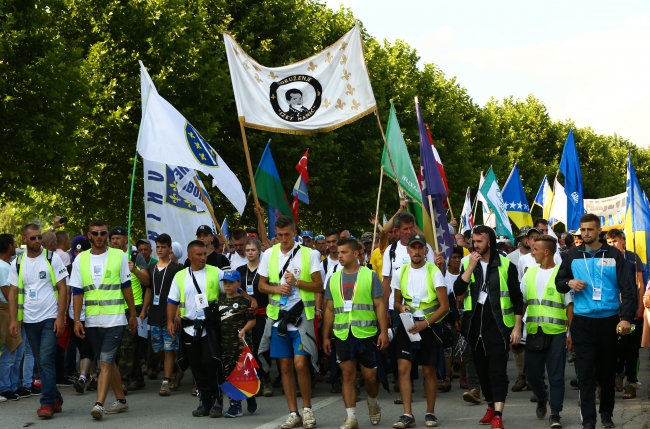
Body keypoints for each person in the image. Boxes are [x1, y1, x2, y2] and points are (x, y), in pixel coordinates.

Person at [556, 214, 637, 429]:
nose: (586, 234)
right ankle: (589, 420)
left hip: (609, 321)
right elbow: (559, 282)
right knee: (585, 373)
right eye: (582, 230)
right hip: (583, 321)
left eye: (590, 230)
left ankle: (607, 414)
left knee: (607, 372)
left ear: (598, 231)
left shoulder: (614, 255)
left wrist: (626, 318)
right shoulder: (572, 255)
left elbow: (628, 290)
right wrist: (569, 282)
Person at [453, 225, 524, 429]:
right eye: (473, 241)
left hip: (498, 325)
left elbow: (517, 298)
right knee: (482, 372)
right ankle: (491, 406)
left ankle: (498, 414)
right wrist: (470, 267)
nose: (475, 245)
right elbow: (458, 290)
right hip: (474, 326)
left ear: (489, 242)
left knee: (497, 371)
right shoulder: (468, 262)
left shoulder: (505, 264)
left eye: (479, 241)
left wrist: (517, 327)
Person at [257, 215, 323, 429]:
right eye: (280, 235)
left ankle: (307, 409)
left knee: (301, 363)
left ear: (295, 232)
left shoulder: (310, 254)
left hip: (301, 316)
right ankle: (293, 413)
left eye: (287, 234)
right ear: (275, 234)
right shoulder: (268, 254)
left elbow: (318, 286)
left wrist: (297, 283)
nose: (283, 238)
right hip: (278, 318)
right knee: (284, 366)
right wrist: (277, 289)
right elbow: (261, 286)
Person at [69, 219, 139, 420]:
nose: (99, 237)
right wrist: (76, 320)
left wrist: (132, 313)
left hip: (115, 320)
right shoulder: (80, 259)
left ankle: (99, 404)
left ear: (107, 235)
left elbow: (126, 286)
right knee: (108, 362)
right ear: (88, 235)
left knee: (105, 363)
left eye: (103, 233)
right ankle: (121, 401)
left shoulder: (119, 255)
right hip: (92, 321)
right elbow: (77, 291)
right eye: (95, 233)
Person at [322, 237, 388, 429]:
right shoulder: (334, 278)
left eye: (344, 252)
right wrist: (326, 335)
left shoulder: (369, 275)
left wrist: (383, 332)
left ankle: (373, 402)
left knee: (371, 377)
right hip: (343, 334)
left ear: (356, 254)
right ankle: (351, 417)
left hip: (366, 333)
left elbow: (379, 305)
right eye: (338, 253)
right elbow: (328, 309)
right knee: (348, 375)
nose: (339, 256)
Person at [7, 225, 68, 419]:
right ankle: (56, 397)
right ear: (24, 239)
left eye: (39, 237)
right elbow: (13, 293)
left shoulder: (52, 258)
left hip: (50, 317)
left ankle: (47, 403)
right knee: (41, 363)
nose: (37, 241)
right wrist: (14, 320)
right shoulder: (17, 262)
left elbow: (63, 288)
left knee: (46, 360)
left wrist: (60, 316)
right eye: (32, 238)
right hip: (30, 320)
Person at [391, 234, 450, 428]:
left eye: (420, 248)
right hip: (407, 325)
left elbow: (444, 306)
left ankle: (430, 412)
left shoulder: (434, 272)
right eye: (413, 247)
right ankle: (407, 414)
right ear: (407, 250)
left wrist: (426, 324)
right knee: (403, 369)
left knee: (428, 370)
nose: (416, 251)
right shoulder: (400, 272)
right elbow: (396, 301)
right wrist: (401, 309)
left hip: (428, 327)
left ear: (426, 250)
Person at [519, 235, 573, 428]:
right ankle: (542, 397)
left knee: (556, 376)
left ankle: (555, 413)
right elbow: (523, 303)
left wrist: (570, 333)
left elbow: (569, 306)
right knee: (532, 375)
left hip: (557, 332)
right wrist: (518, 328)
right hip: (534, 332)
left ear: (546, 252)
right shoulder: (529, 274)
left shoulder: (562, 274)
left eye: (535, 249)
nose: (531, 252)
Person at [140, 234, 184, 396]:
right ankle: (176, 370)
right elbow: (149, 290)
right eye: (158, 247)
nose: (160, 250)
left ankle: (165, 381)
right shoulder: (151, 269)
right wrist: (144, 309)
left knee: (169, 349)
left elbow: (180, 293)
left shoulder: (176, 269)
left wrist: (178, 313)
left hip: (170, 315)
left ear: (170, 248)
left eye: (163, 247)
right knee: (158, 348)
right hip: (155, 314)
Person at [109, 226, 150, 392]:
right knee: (120, 347)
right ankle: (137, 378)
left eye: (118, 238)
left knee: (127, 346)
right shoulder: (108, 257)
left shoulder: (135, 256)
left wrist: (135, 270)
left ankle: (123, 381)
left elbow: (147, 281)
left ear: (126, 239)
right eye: (112, 238)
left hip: (133, 305)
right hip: (114, 306)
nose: (114, 241)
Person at [605, 229, 646, 398]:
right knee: (616, 348)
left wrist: (639, 307)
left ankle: (631, 382)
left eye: (614, 241)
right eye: (609, 242)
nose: (612, 245)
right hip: (613, 311)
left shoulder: (633, 258)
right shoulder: (606, 259)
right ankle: (617, 374)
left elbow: (640, 284)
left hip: (632, 310)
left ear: (623, 240)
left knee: (632, 349)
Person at [236, 238, 273, 396]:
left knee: (261, 347)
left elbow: (271, 291)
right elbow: (236, 290)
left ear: (259, 251)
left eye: (253, 250)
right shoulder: (240, 270)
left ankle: (266, 378)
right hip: (245, 315)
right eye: (248, 250)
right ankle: (254, 380)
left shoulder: (266, 270)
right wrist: (250, 300)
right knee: (247, 347)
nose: (250, 253)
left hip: (263, 314)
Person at [218, 270, 257, 418]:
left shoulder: (245, 302)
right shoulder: (220, 301)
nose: (227, 285)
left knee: (242, 375)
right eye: (225, 283)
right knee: (228, 374)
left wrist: (244, 330)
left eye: (231, 282)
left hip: (242, 346)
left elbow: (252, 320)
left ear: (238, 284)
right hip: (225, 346)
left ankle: (249, 395)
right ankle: (235, 406)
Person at [0, 234, 31, 403]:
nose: (16, 245)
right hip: (7, 312)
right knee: (10, 351)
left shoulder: (7, 265)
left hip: (14, 311)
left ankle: (13, 385)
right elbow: (8, 294)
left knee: (17, 351)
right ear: (9, 247)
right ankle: (5, 387)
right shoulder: (2, 267)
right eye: (14, 243)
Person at [69, 237, 98, 395]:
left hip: (92, 313)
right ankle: (91, 377)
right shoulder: (70, 268)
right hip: (76, 315)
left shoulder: (92, 266)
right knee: (85, 348)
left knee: (89, 348)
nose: (78, 254)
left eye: (82, 251)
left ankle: (84, 377)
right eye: (76, 251)